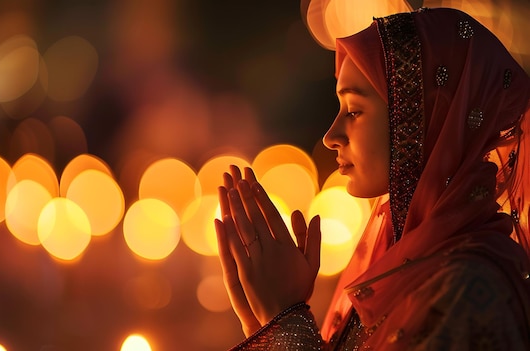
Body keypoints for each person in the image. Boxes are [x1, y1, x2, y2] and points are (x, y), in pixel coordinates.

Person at [214, 7, 530, 350]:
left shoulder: (468, 289)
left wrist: (286, 322)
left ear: (428, 117)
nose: (331, 136)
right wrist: (268, 324)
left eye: (353, 111)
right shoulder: (401, 263)